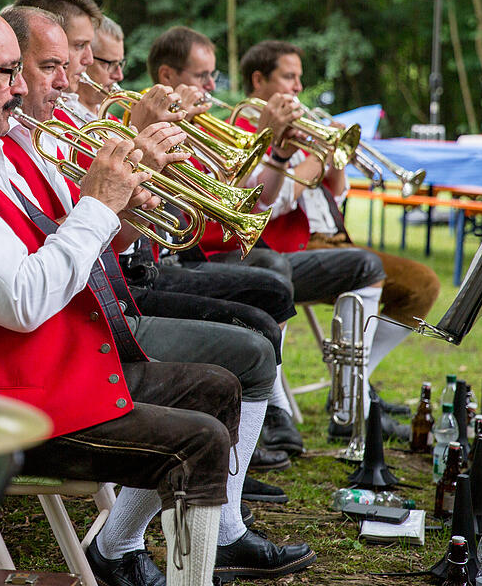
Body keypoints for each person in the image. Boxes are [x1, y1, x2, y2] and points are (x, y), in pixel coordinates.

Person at [0, 6, 250, 586]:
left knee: (218, 389)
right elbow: (22, 301)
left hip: (53, 374)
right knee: (202, 442)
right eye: (6, 72)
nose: (21, 86)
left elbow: (77, 254)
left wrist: (121, 208)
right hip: (4, 411)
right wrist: (99, 203)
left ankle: (120, 548)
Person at [0, 3, 316, 582]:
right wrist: (127, 160)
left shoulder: (48, 130)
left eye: (93, 57)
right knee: (249, 344)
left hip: (106, 297)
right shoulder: (27, 142)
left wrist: (141, 194)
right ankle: (196, 528)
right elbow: (52, 267)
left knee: (260, 321)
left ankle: (196, 520)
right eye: (71, 56)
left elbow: (110, 237)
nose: (88, 71)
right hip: (91, 319)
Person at [147, 26, 411, 441]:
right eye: (203, 76)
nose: (213, 87)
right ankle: (273, 406)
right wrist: (273, 144)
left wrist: (318, 155)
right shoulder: (203, 125)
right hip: (216, 253)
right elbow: (253, 203)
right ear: (167, 76)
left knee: (380, 270)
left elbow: (259, 199)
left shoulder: (211, 127)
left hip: (263, 244)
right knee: (269, 271)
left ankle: (352, 394)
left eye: (214, 75)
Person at [240, 39, 441, 412]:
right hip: (290, 247)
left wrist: (334, 156)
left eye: (300, 77)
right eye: (289, 76)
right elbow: (269, 202)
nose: (298, 87)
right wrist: (310, 160)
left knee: (423, 284)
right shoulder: (244, 128)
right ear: (258, 80)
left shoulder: (301, 128)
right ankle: (353, 399)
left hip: (333, 239)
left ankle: (356, 380)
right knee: (366, 272)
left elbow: (336, 194)